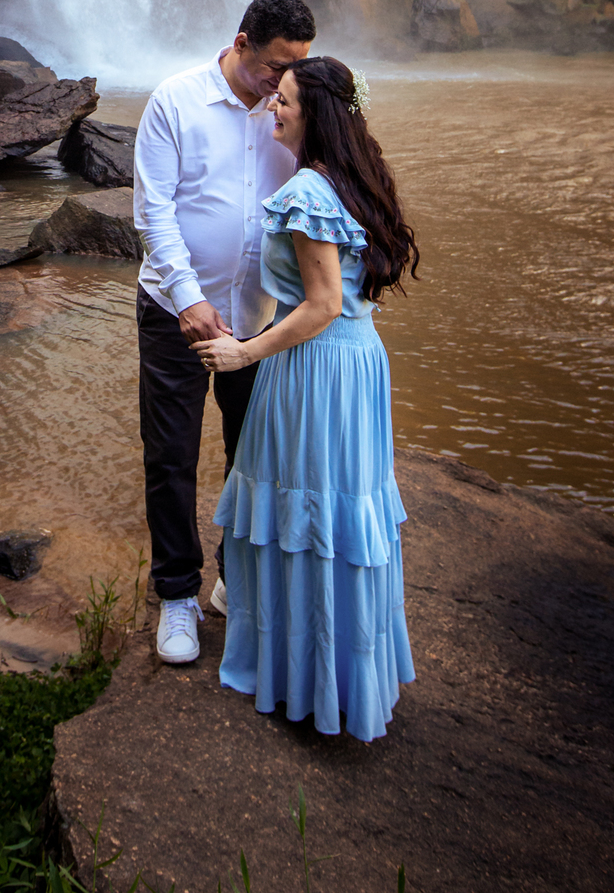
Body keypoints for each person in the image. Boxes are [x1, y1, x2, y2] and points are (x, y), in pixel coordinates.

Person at [193, 57, 419, 742]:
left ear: (315, 114)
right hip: (355, 362)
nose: (273, 109)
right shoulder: (354, 183)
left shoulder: (310, 195)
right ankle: (340, 675)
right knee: (338, 517)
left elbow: (319, 305)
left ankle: (307, 681)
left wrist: (243, 353)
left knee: (308, 516)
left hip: (313, 366)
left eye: (285, 101)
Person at [133, 0, 316, 666]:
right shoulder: (175, 102)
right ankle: (177, 595)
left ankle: (232, 581)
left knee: (254, 460)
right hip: (174, 316)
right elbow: (154, 215)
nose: (283, 81)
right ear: (242, 42)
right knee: (173, 457)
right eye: (275, 66)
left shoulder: (290, 117)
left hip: (258, 322)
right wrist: (187, 298)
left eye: (296, 68)